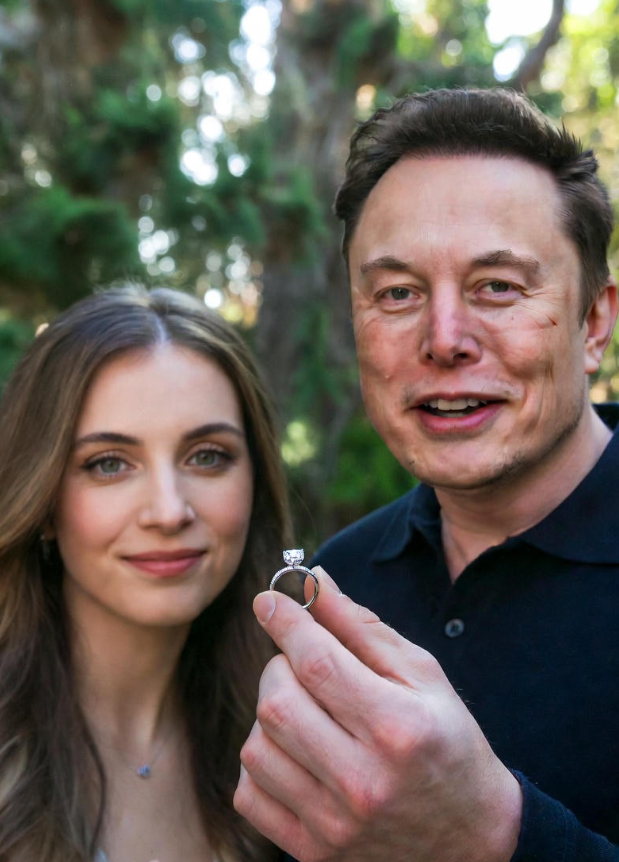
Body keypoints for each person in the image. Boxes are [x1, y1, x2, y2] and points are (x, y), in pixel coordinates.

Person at [234, 88, 619, 861]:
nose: (443, 340)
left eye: (497, 287)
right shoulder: (334, 588)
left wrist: (490, 838)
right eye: (397, 294)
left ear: (592, 323)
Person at [0, 284, 290, 862]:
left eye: (207, 456)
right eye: (109, 464)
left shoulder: (294, 738)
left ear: (255, 482)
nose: (169, 511)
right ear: (44, 501)